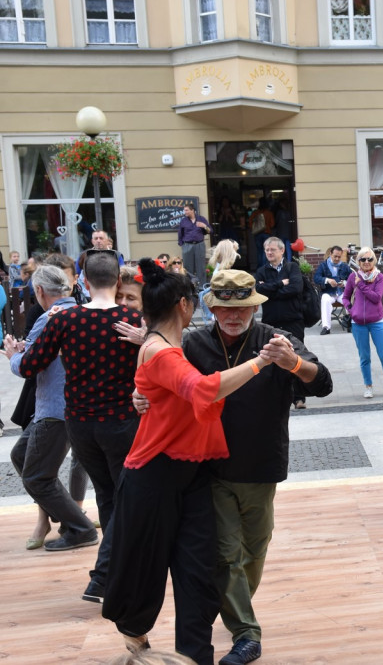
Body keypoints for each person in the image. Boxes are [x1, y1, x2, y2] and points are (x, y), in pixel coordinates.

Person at [133, 268, 333, 665]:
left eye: (242, 307)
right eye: (225, 306)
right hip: (210, 468)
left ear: (254, 308)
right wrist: (141, 399)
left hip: (262, 464)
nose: (233, 315)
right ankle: (246, 632)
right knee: (226, 555)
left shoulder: (275, 339)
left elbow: (322, 382)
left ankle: (237, 609)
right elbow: (160, 380)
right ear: (211, 307)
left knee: (254, 550)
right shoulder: (191, 342)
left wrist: (293, 363)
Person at [101, 259, 277, 664]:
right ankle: (136, 646)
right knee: (144, 574)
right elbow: (203, 390)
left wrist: (141, 394)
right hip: (153, 476)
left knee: (198, 572)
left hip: (191, 473)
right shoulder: (161, 352)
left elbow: (164, 392)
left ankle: (197, 657)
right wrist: (260, 362)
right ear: (184, 305)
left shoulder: (168, 347)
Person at [16, 249, 143, 604]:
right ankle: (104, 578)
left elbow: (29, 367)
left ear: (83, 282)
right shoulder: (130, 319)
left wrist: (20, 351)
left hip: (81, 423)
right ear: (117, 282)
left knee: (108, 496)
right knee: (120, 498)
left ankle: (111, 574)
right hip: (121, 422)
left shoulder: (63, 320)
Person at [4, 266, 98, 552]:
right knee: (20, 455)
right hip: (65, 406)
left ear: (40, 291)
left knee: (36, 477)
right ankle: (62, 512)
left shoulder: (49, 318)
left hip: (55, 409)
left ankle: (79, 528)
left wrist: (13, 355)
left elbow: (28, 366)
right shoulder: (82, 313)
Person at [255, 237, 307, 409]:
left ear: (282, 250)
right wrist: (280, 284)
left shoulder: (292, 268)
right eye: (267, 250)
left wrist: (272, 289)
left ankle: (299, 397)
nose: (269, 253)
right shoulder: (261, 271)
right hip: (271, 322)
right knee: (273, 359)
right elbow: (259, 291)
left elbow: (296, 289)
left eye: (272, 250)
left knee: (296, 357)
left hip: (293, 320)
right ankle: (277, 396)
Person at [343, 246, 383, 399]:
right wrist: (350, 309)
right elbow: (345, 297)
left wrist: (360, 284)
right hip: (358, 323)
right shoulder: (352, 276)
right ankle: (368, 386)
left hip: (377, 321)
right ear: (358, 261)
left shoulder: (379, 277)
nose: (366, 262)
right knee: (364, 357)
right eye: (363, 259)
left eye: (369, 259)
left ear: (374, 260)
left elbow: (376, 297)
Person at [314, 246, 352, 335]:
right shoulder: (323, 265)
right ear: (330, 254)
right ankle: (326, 327)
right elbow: (316, 278)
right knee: (325, 299)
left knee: (349, 300)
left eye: (339, 257)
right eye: (335, 256)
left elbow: (352, 279)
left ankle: (350, 323)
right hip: (328, 292)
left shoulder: (344, 266)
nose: (337, 259)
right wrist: (328, 280)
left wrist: (344, 283)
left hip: (341, 292)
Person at [178, 203, 211, 285]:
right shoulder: (183, 221)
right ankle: (189, 287)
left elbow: (210, 231)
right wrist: (183, 245)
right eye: (184, 210)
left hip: (199, 245)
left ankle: (201, 286)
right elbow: (180, 234)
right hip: (187, 245)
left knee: (201, 267)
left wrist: (204, 226)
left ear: (192, 210)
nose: (185, 212)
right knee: (188, 267)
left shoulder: (201, 219)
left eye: (186, 210)